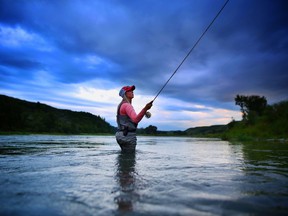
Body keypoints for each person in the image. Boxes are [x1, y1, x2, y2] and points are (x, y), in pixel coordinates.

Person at [115, 85, 153, 152]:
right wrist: (145, 108)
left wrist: (144, 111)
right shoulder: (127, 105)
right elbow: (135, 119)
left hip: (120, 135)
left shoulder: (121, 105)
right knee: (130, 160)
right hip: (128, 136)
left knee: (124, 158)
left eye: (132, 90)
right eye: (130, 90)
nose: (132, 92)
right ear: (125, 93)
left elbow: (131, 117)